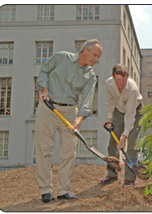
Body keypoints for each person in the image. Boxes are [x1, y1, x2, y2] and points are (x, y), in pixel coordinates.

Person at [35, 39, 102, 203]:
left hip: (70, 112)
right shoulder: (61, 57)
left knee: (69, 153)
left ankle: (63, 191)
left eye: (98, 57)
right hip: (48, 108)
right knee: (44, 150)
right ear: (85, 51)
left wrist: (79, 118)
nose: (96, 60)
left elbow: (87, 98)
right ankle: (45, 190)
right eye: (95, 55)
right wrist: (44, 89)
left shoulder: (90, 75)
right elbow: (44, 71)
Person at [100, 64, 143, 187]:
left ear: (128, 77)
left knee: (131, 146)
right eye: (118, 79)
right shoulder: (109, 84)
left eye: (124, 79)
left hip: (136, 112)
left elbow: (130, 115)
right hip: (118, 111)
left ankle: (129, 179)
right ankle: (112, 174)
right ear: (113, 77)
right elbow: (110, 100)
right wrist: (109, 118)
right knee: (113, 143)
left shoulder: (132, 89)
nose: (121, 83)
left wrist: (124, 136)